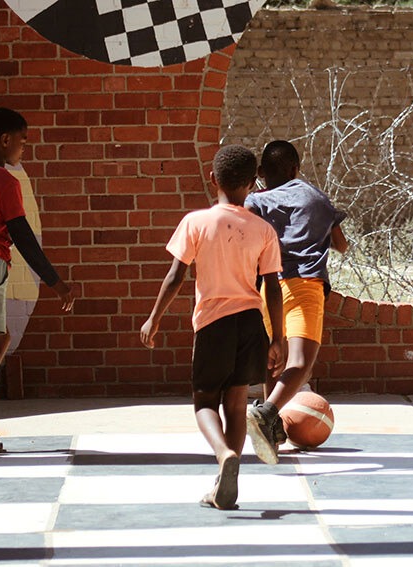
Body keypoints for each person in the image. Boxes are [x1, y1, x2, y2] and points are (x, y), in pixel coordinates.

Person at [140, 145, 285, 510]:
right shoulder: (263, 229)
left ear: (213, 178)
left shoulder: (196, 221)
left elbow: (176, 276)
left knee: (205, 401)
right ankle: (225, 481)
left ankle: (223, 455)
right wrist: (278, 338)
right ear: (254, 184)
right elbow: (271, 288)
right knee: (236, 404)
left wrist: (154, 318)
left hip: (213, 323)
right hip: (251, 323)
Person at [0, 107, 74, 458]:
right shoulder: (6, 180)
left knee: (0, 337)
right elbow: (21, 234)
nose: (24, 149)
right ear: (4, 140)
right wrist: (56, 282)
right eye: (22, 142)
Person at [243, 140, 347, 464]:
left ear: (260, 172)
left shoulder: (255, 201)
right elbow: (341, 245)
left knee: (274, 360)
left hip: (270, 289)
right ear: (295, 170)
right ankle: (268, 412)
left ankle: (270, 434)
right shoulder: (315, 198)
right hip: (305, 286)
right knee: (301, 363)